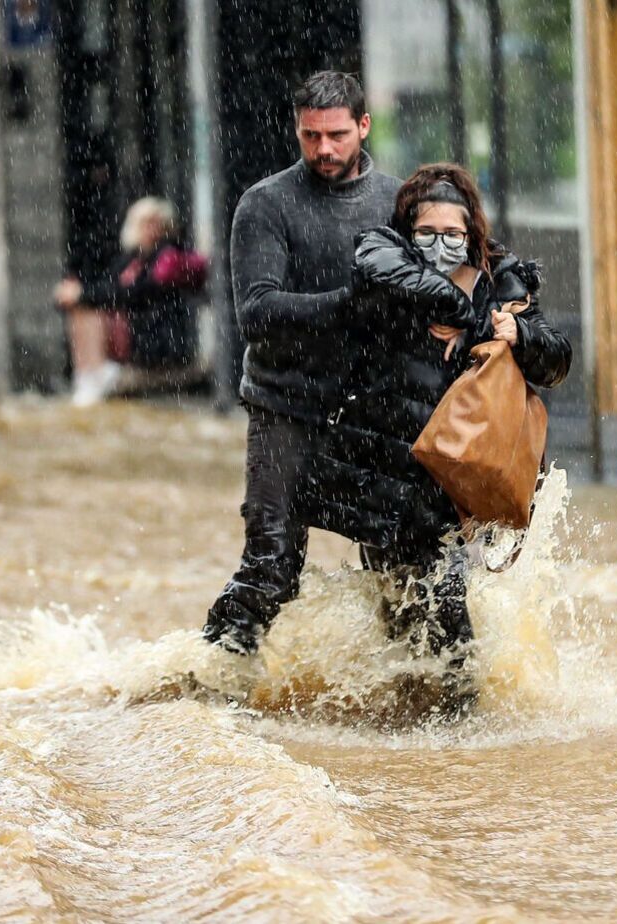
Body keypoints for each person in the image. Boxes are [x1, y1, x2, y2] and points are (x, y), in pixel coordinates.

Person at [309, 163, 570, 704]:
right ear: (409, 231)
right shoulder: (387, 268)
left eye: (453, 235)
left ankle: (461, 730)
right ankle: (410, 726)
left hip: (454, 484)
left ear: (472, 233)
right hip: (387, 471)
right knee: (395, 608)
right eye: (427, 233)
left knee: (448, 601)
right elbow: (375, 264)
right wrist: (445, 302)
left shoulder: (504, 283)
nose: (440, 245)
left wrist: (515, 332)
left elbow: (556, 361)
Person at [203, 71, 403, 655]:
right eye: (311, 135)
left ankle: (427, 707)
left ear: (363, 127)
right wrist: (350, 304)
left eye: (337, 135)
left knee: (407, 567)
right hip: (284, 406)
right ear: (297, 129)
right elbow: (257, 313)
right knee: (271, 567)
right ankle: (207, 697)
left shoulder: (399, 201)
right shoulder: (265, 204)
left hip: (376, 409)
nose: (324, 149)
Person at [53, 197, 208, 406]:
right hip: (134, 327)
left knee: (90, 306)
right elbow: (110, 287)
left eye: (155, 224)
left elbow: (136, 294)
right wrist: (77, 293)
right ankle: (89, 376)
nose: (150, 230)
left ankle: (95, 374)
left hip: (153, 335)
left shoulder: (167, 257)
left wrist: (83, 294)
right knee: (84, 308)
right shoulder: (133, 258)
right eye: (144, 223)